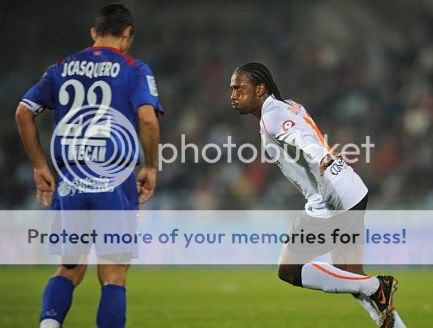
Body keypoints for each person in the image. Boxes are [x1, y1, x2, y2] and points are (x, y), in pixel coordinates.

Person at [15, 3, 162, 327]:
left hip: (70, 178)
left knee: (70, 267)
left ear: (93, 33)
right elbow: (148, 119)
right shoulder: (134, 68)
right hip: (113, 176)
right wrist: (151, 166)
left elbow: (23, 112)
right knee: (113, 273)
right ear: (128, 34)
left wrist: (39, 165)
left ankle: (49, 324)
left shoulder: (61, 67)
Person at [229, 62, 405, 328]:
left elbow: (302, 139)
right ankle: (392, 320)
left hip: (330, 198)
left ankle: (376, 285)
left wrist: (322, 155)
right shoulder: (288, 105)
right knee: (350, 275)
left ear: (260, 89)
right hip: (350, 189)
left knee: (289, 270)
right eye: (232, 89)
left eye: (239, 88)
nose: (233, 95)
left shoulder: (272, 116)